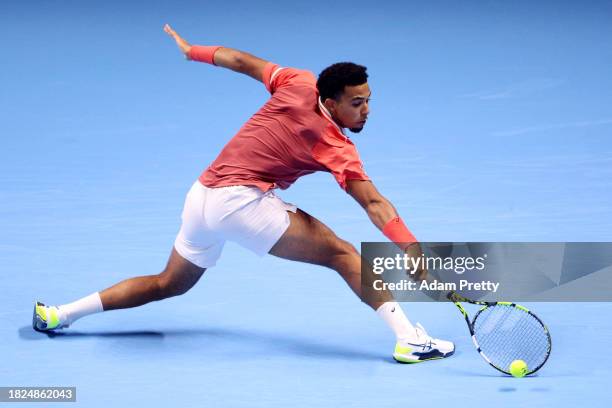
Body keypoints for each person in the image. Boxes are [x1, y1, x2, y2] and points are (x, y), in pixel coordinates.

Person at [33, 24, 454, 363]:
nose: (366, 111)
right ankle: (408, 339)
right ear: (330, 100)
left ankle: (60, 314)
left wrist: (191, 50)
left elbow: (238, 60)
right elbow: (374, 203)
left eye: (368, 100)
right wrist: (410, 247)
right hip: (240, 202)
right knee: (342, 254)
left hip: (201, 197)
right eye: (357, 103)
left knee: (168, 283)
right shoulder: (337, 147)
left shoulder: (297, 81)